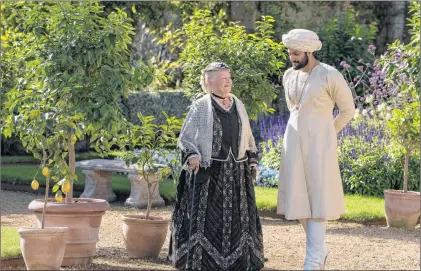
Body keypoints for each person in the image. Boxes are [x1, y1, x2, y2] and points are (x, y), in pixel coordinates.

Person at [168, 62, 264, 270]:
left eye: (229, 78)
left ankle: (240, 260)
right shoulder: (201, 106)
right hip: (209, 173)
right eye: (223, 79)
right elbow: (185, 137)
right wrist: (193, 155)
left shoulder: (237, 104)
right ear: (210, 82)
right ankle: (201, 261)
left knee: (240, 218)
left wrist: (252, 159)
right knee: (207, 217)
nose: (228, 81)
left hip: (237, 171)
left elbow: (247, 135)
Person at [277, 29, 355, 270]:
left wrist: (328, 132)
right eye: (290, 53)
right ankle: (319, 251)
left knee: (318, 198)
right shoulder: (289, 75)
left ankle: (312, 259)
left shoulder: (329, 75)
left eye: (297, 53)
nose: (292, 57)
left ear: (310, 51)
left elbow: (347, 110)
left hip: (320, 146)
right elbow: (294, 108)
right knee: (297, 197)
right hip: (292, 143)